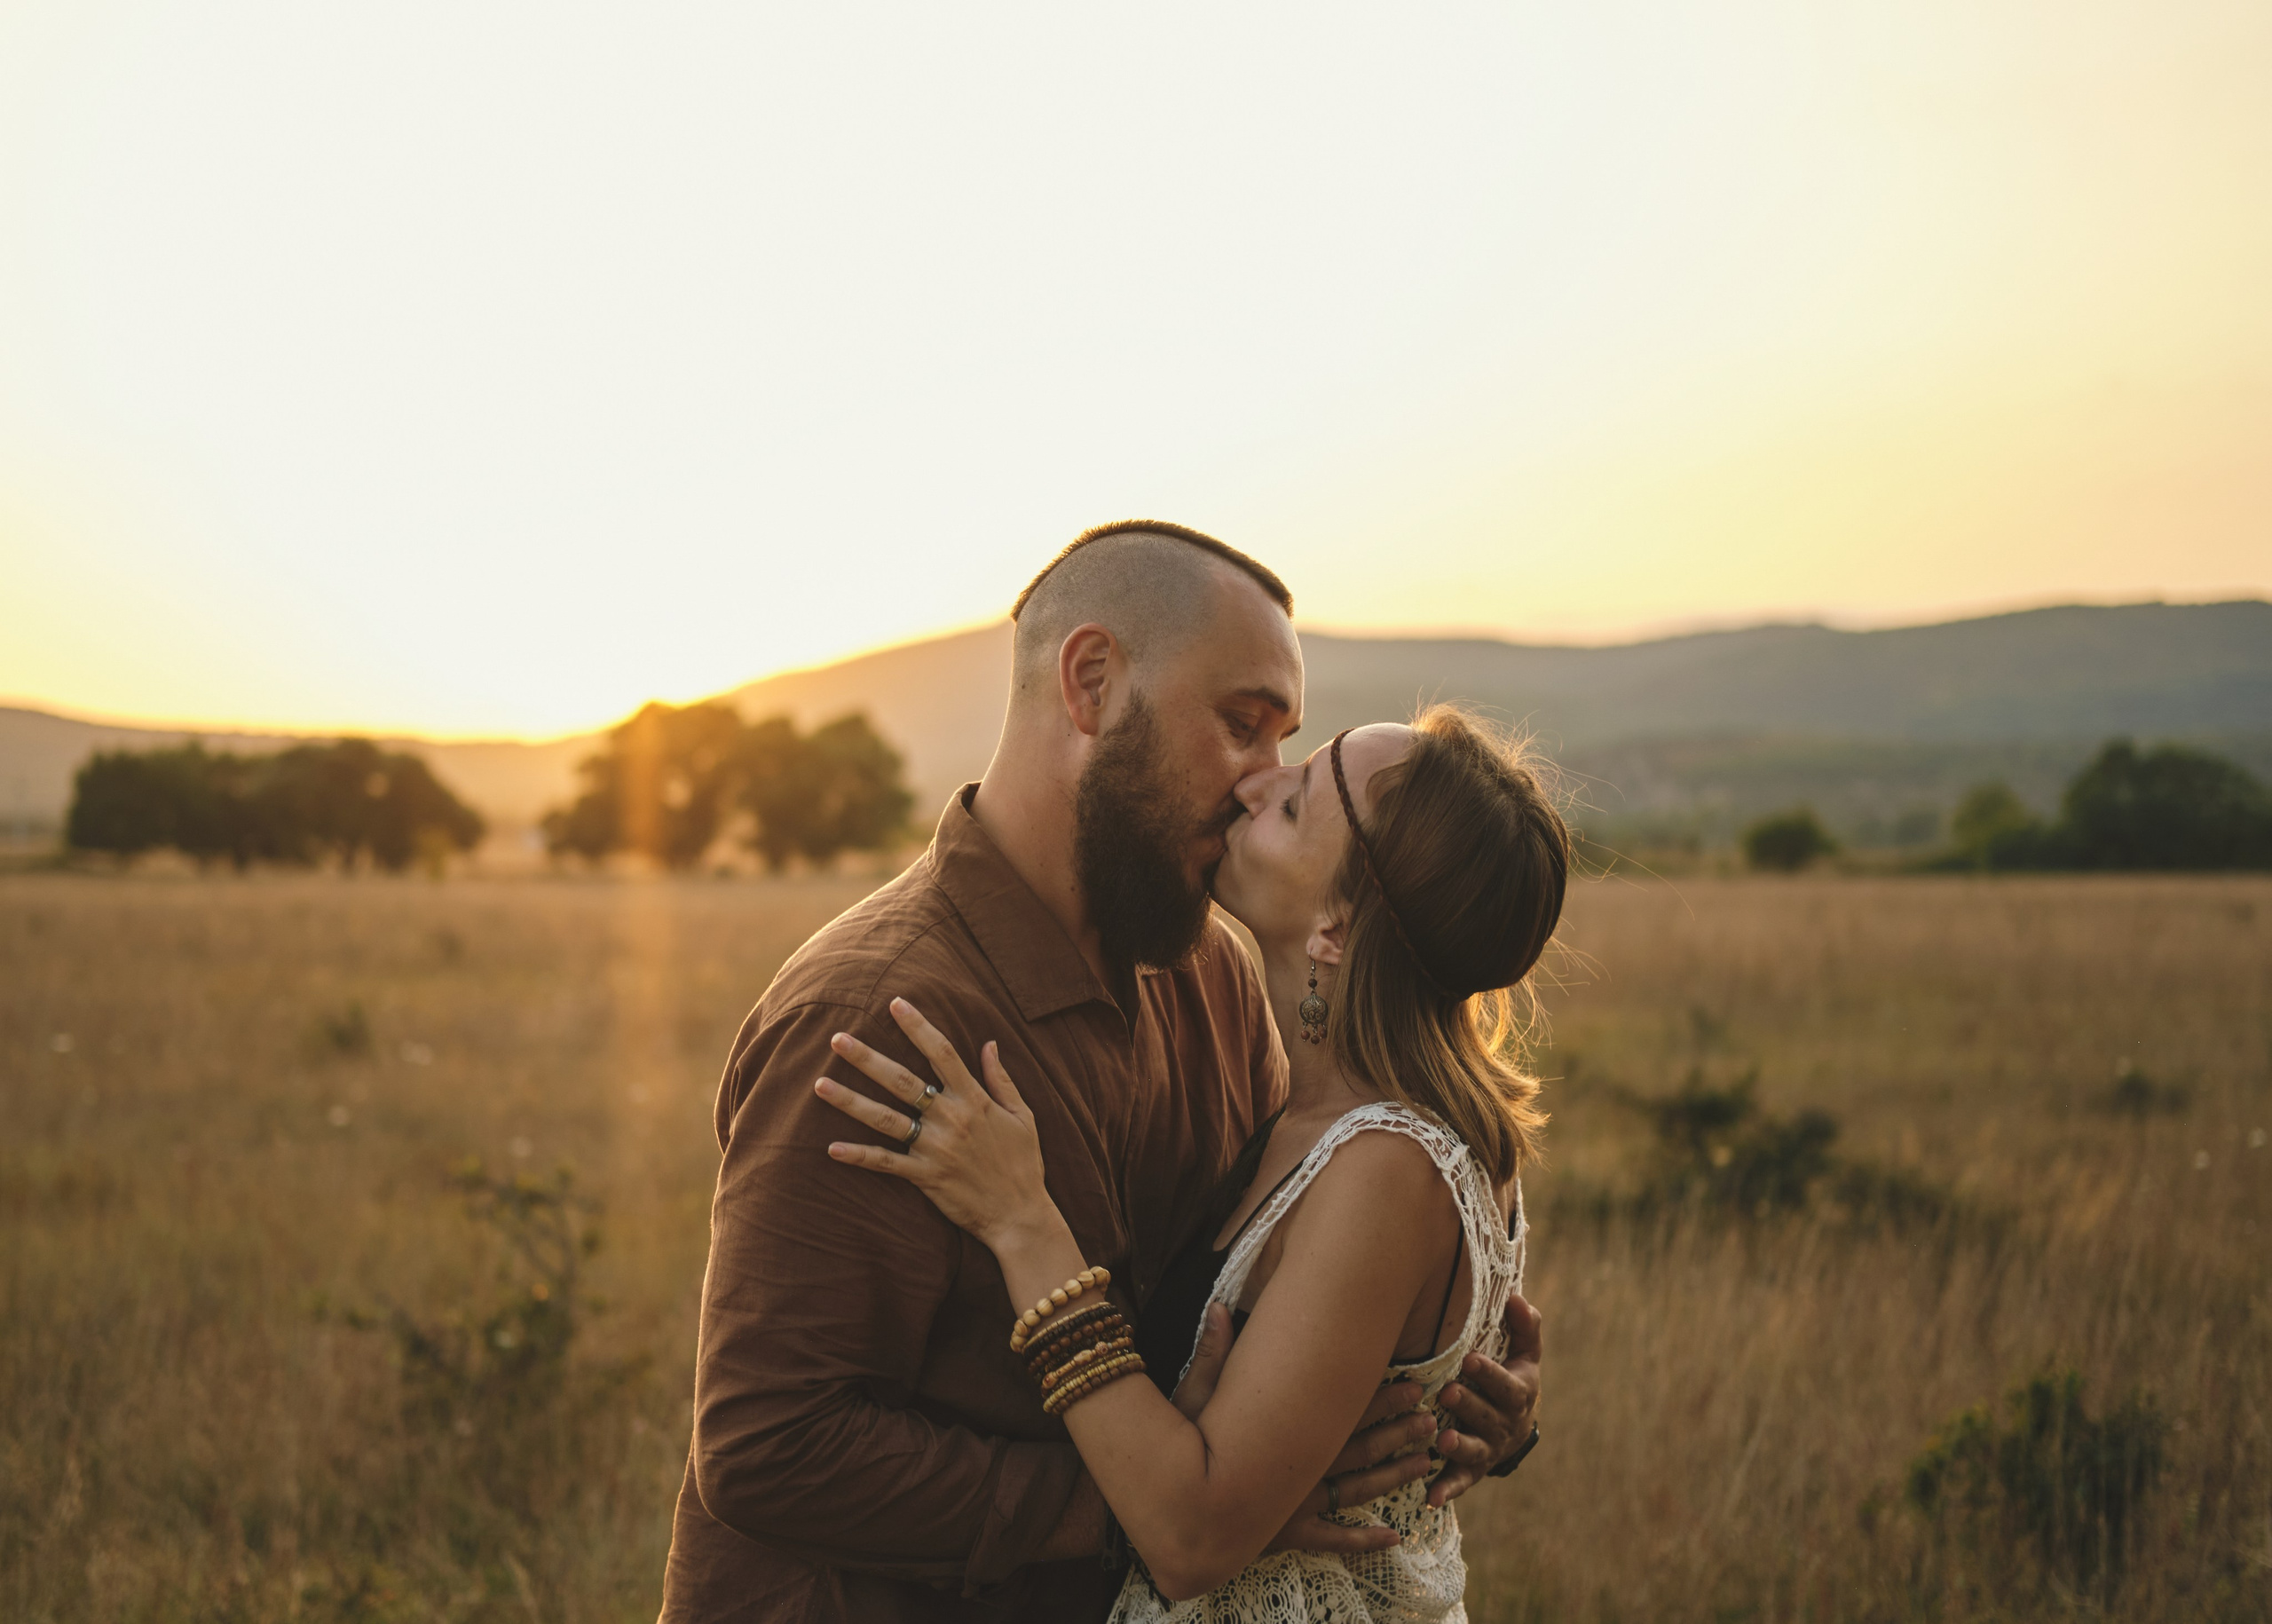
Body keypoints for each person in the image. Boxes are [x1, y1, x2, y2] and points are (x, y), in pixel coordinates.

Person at [659, 523, 1543, 1622]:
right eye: (1240, 727)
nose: (1258, 783)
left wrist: (1439, 1397)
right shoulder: (877, 1018)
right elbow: (767, 1448)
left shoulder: (1217, 976)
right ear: (1090, 683)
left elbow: (1274, 1292)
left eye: (1287, 752)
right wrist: (1151, 1514)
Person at [816, 706, 1566, 1619]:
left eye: (1294, 805)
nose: (1257, 783)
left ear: (1336, 926)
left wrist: (1024, 1223)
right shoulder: (1336, 1104)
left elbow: (1192, 1540)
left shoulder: (1390, 1165)